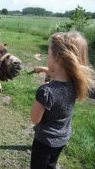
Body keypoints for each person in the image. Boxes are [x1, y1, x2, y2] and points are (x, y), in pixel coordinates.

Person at [30, 31, 94, 169]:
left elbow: (35, 119)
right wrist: (42, 69)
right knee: (51, 165)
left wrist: (41, 96)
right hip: (63, 138)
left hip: (44, 141)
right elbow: (55, 73)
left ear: (57, 57)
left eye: (49, 52)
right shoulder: (77, 83)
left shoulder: (46, 91)